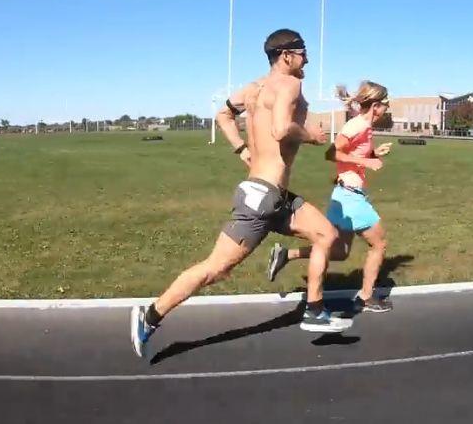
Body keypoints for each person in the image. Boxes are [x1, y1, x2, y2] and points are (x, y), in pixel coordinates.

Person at [131, 28, 351, 358]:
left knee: (326, 234)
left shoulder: (252, 88)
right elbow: (280, 129)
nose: (308, 58)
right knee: (215, 269)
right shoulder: (290, 84)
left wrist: (241, 149)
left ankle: (315, 309)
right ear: (286, 56)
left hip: (272, 194)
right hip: (262, 200)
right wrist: (312, 136)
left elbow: (223, 114)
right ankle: (149, 317)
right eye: (303, 52)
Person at [267, 81, 394, 313]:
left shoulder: (364, 126)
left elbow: (350, 154)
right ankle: (366, 298)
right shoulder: (357, 125)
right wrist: (367, 161)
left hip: (344, 195)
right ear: (376, 105)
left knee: (339, 252)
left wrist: (375, 153)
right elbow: (332, 153)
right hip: (351, 197)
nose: (387, 108)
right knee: (379, 243)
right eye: (385, 104)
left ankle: (288, 254)